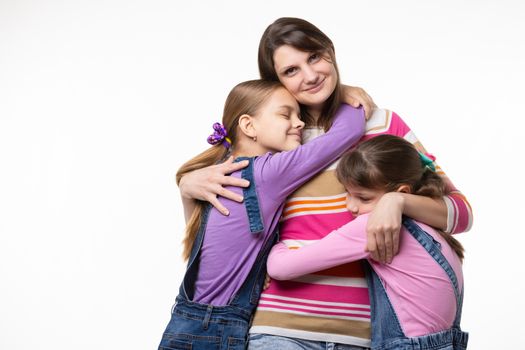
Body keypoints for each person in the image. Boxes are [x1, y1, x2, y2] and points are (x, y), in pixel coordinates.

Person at [179, 18, 473, 349]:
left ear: (331, 53)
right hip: (279, 329)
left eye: (314, 57)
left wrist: (398, 202)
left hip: (366, 332)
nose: (310, 75)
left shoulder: (383, 123)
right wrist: (189, 183)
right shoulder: (281, 136)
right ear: (275, 82)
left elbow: (461, 213)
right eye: (291, 71)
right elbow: (228, 219)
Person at [158, 79, 365, 349]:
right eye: (285, 114)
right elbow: (347, 133)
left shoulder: (221, 170)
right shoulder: (267, 172)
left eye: (299, 115)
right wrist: (345, 96)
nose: (300, 123)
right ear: (248, 125)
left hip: (185, 322)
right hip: (220, 329)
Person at [266, 134, 468, 349]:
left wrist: (277, 242)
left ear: (402, 193)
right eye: (347, 193)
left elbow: (281, 268)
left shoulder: (373, 226)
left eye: (363, 198)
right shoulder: (430, 227)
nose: (351, 206)